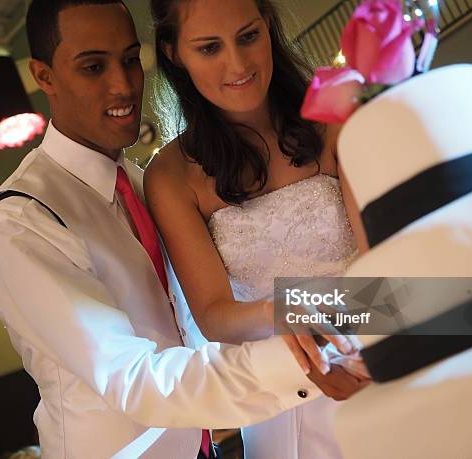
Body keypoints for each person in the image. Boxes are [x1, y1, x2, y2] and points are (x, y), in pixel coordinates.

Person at [0, 1, 365, 458]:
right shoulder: (20, 221)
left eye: (130, 60)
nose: (123, 85)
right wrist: (305, 356)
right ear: (44, 76)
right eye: (93, 67)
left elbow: (196, 326)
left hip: (231, 428)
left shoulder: (137, 181)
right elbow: (133, 380)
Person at [144, 0, 370, 457]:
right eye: (209, 48)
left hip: (374, 343)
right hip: (284, 384)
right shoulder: (170, 175)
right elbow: (213, 314)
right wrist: (286, 312)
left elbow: (378, 257)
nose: (238, 64)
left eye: (248, 36)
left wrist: (370, 347)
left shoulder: (329, 117)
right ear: (174, 54)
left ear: (268, 24)